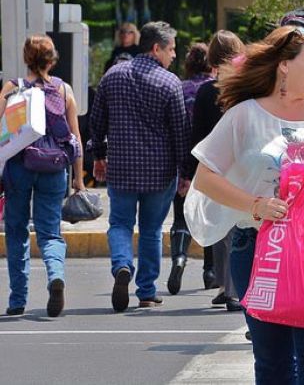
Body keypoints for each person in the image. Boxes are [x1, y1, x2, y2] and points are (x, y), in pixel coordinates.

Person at [192, 25, 304, 384]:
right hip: (260, 249)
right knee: (273, 363)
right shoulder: (245, 115)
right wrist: (255, 204)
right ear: (285, 66)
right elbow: (205, 177)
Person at [90, 21, 190, 312]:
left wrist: (99, 155)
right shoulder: (170, 83)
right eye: (171, 49)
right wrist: (185, 171)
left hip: (120, 166)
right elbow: (180, 131)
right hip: (160, 172)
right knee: (151, 229)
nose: (174, 55)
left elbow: (97, 121)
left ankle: (122, 265)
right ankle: (146, 290)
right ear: (156, 48)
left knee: (120, 223)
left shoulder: (113, 76)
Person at [0, 35, 85, 317]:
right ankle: (55, 275)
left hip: (19, 168)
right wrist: (79, 179)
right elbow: (75, 137)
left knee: (16, 231)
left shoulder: (12, 88)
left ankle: (17, 299)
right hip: (54, 168)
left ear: (27, 58)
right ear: (52, 60)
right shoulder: (63, 90)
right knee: (50, 232)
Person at [186, 30, 246, 309]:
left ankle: (227, 286)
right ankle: (234, 287)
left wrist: (190, 172)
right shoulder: (248, 90)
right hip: (244, 164)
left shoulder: (207, 91)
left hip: (215, 167)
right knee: (238, 226)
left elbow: (197, 135)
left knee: (219, 227)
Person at [167, 42, 214, 296]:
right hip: (211, 161)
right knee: (211, 216)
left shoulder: (180, 88)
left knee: (181, 215)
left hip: (183, 159)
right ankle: (210, 271)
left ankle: (179, 259)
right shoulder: (216, 90)